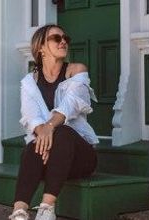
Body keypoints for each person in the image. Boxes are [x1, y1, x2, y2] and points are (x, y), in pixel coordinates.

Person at [10, 24, 99, 220]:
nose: (63, 41)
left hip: (80, 157)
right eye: (56, 38)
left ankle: (47, 208)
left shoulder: (77, 71)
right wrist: (44, 133)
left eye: (65, 38)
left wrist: (49, 127)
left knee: (63, 131)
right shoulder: (29, 82)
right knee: (32, 147)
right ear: (40, 47)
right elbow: (31, 116)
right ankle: (19, 211)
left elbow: (71, 105)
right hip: (47, 159)